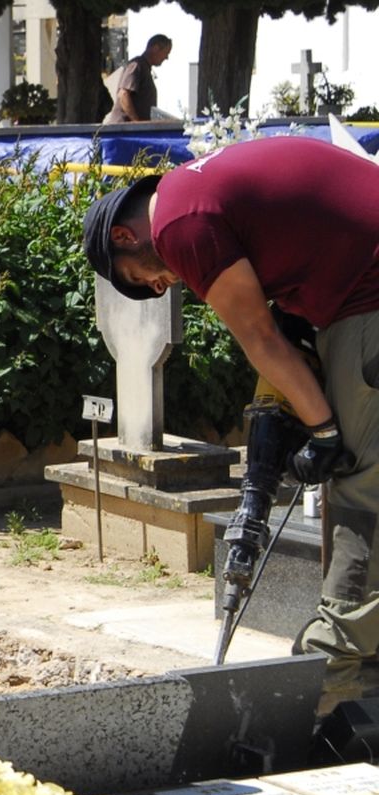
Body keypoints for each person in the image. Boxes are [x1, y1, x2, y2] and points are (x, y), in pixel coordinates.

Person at [82, 135, 379, 715]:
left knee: (359, 480)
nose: (158, 285)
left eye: (140, 279)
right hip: (357, 282)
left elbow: (261, 339)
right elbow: (284, 323)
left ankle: (329, 677)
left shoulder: (180, 225)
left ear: (125, 236)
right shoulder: (198, 190)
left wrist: (323, 433)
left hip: (368, 294)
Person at [103, 34, 172, 124]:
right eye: (166, 53)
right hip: (123, 131)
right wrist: (137, 123)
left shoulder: (145, 68)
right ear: (155, 48)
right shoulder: (137, 65)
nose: (166, 58)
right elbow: (123, 94)